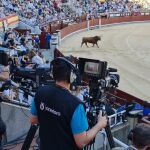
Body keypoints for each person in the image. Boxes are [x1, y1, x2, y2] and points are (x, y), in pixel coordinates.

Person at [30, 57, 107, 150]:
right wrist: (100, 124)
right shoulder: (75, 105)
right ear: (72, 76)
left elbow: (33, 120)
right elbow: (81, 142)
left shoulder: (40, 92)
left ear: (52, 73)